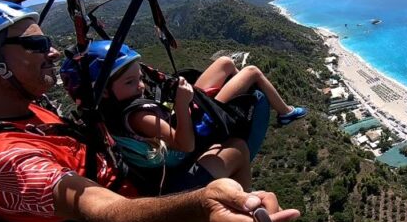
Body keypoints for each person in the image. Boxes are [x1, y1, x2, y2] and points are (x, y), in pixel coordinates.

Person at [0, 0, 300, 222]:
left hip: (130, 181)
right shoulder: (4, 161)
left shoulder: (4, 106)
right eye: (37, 44)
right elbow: (108, 212)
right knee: (235, 146)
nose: (53, 52)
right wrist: (203, 205)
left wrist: (7, 7)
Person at [59, 41, 307, 185]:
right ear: (102, 93)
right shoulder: (139, 117)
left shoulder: (113, 107)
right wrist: (181, 104)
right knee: (251, 71)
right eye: (130, 83)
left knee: (225, 63)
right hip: (191, 130)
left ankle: (239, 99)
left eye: (139, 78)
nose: (141, 85)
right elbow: (185, 145)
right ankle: (283, 112)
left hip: (182, 115)